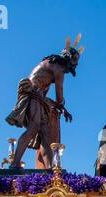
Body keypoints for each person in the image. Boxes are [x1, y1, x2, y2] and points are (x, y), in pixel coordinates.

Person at [6, 36, 82, 169]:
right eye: (75, 61)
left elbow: (46, 99)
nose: (75, 65)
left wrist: (62, 108)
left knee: (46, 137)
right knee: (33, 128)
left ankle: (51, 170)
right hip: (33, 95)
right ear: (68, 58)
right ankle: (15, 163)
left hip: (37, 97)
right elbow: (59, 96)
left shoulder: (50, 66)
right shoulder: (58, 69)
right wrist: (62, 105)